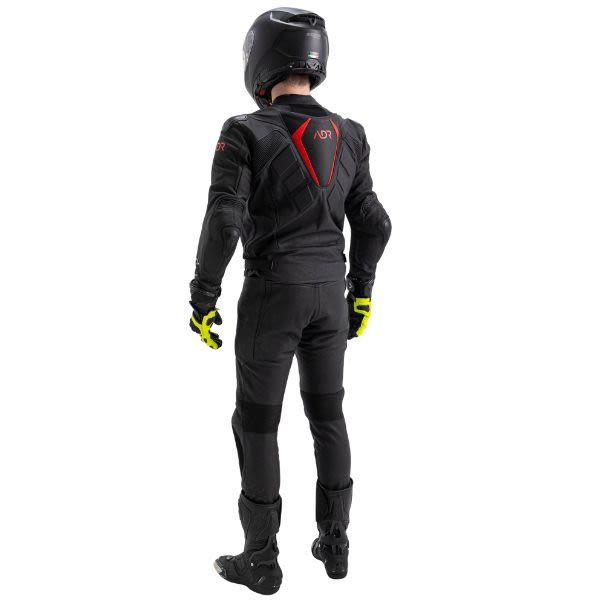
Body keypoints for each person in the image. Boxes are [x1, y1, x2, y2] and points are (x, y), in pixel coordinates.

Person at [189, 7, 391, 594]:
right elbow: (375, 222)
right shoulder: (351, 134)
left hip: (272, 296)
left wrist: (203, 294)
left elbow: (224, 221)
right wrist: (361, 291)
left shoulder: (244, 130)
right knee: (328, 415)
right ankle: (335, 544)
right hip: (331, 297)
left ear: (261, 58)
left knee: (257, 423)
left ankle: (260, 560)